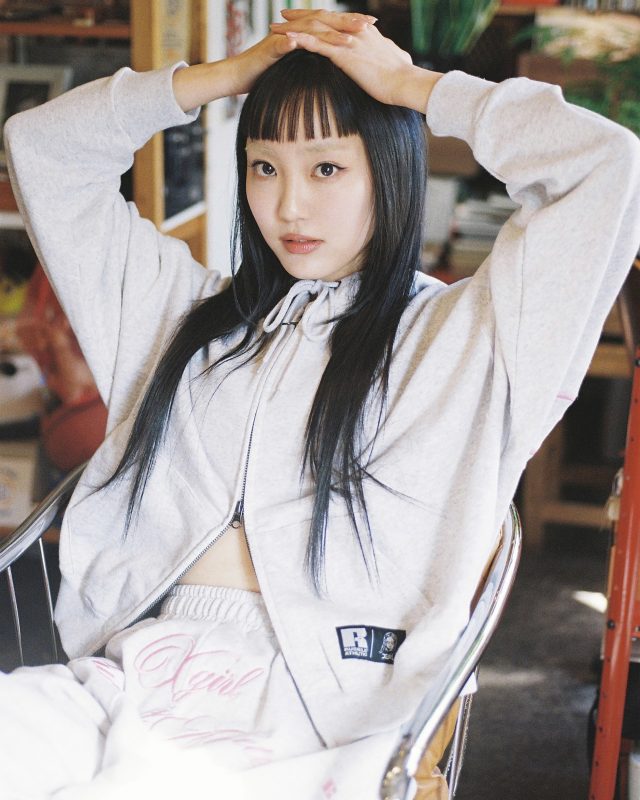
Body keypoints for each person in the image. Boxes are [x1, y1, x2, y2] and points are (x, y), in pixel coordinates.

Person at [1, 8, 640, 799]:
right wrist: (221, 79)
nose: (289, 207)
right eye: (264, 167)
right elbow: (44, 146)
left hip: (320, 710)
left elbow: (603, 165)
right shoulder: (176, 316)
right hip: (126, 673)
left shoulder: (468, 340)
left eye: (327, 168)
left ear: (390, 172)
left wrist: (416, 88)